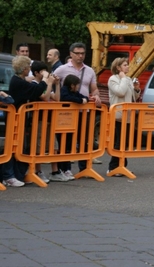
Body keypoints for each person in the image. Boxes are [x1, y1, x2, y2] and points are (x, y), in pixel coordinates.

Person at [2, 56, 52, 187]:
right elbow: (35, 91)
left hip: (20, 118)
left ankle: (17, 174)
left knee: (19, 147)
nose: (29, 69)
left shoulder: (19, 80)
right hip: (15, 118)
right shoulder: (18, 82)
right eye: (28, 67)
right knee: (12, 148)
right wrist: (46, 80)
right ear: (24, 69)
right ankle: (9, 176)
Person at [54, 42, 101, 173]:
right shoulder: (62, 69)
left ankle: (84, 168)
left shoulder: (89, 70)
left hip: (84, 111)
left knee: (84, 139)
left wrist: (96, 96)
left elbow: (94, 88)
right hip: (66, 112)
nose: (80, 56)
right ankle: (64, 168)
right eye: (77, 53)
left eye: (82, 53)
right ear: (71, 54)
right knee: (66, 140)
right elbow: (51, 82)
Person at [30, 61, 68, 182]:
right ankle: (37, 170)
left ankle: (55, 171)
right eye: (42, 71)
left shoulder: (46, 83)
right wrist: (49, 82)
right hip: (39, 119)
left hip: (50, 118)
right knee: (39, 145)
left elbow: (56, 98)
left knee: (53, 145)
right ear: (36, 73)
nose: (45, 73)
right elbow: (45, 97)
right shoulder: (34, 84)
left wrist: (56, 84)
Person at [107, 58, 140, 176]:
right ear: (118, 67)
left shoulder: (128, 79)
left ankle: (122, 165)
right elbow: (120, 92)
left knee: (124, 141)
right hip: (118, 115)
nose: (128, 67)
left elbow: (132, 96)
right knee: (119, 141)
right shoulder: (113, 79)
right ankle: (113, 167)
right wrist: (123, 79)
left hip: (128, 115)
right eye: (125, 65)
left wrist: (136, 89)